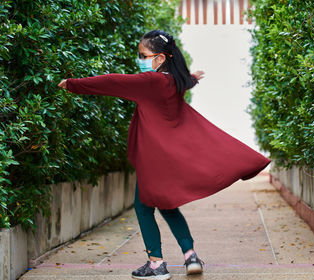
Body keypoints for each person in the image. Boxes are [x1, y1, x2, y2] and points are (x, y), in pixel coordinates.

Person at [58, 29, 271, 280]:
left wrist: (72, 84)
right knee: (168, 206)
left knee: (143, 207)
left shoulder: (150, 83)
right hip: (170, 158)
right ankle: (190, 255)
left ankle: (156, 263)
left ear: (159, 58)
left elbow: (111, 82)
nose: (140, 59)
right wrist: (191, 78)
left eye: (143, 55)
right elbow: (183, 79)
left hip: (152, 160)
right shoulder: (174, 82)